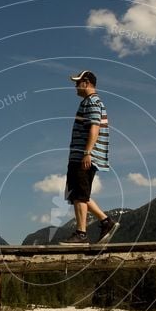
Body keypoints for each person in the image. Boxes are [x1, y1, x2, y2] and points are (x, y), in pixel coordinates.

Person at [59, 70, 119, 245]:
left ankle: (81, 234)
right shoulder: (89, 102)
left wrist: (87, 152)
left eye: (77, 83)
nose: (76, 87)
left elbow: (95, 127)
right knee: (77, 194)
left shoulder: (92, 102)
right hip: (79, 155)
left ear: (86, 83)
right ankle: (106, 221)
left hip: (83, 156)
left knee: (79, 195)